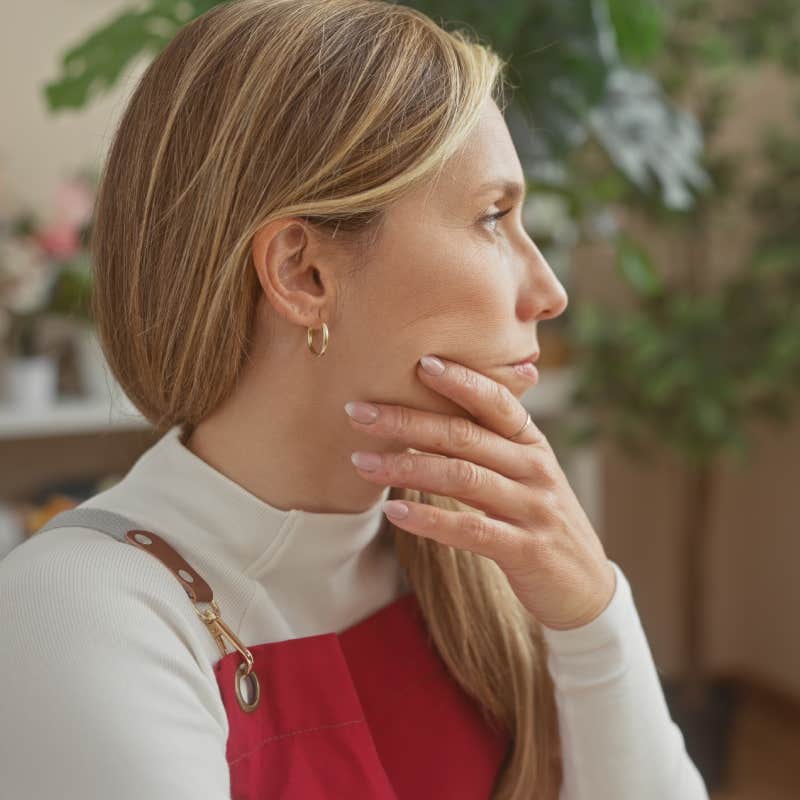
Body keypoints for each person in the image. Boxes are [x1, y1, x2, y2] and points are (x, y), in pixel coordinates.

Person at [0, 1, 710, 798]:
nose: (549, 292)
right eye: (491, 218)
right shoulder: (77, 616)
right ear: (303, 273)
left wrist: (592, 616)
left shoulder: (477, 563)